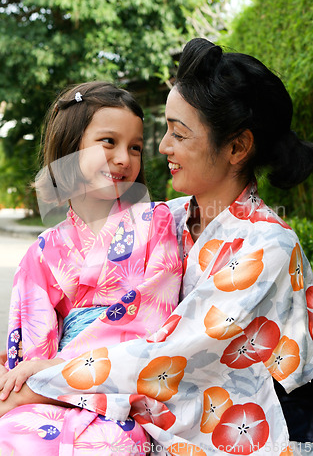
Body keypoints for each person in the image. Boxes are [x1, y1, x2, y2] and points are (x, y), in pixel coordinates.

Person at [1, 38, 313, 456]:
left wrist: (42, 382)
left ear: (237, 147)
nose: (162, 147)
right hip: (130, 413)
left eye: (178, 133)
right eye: (165, 128)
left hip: (231, 437)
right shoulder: (170, 217)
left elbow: (171, 355)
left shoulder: (268, 246)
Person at [0, 81, 182, 453]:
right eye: (108, 142)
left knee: (103, 445)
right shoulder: (43, 250)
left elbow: (149, 315)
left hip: (120, 390)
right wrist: (40, 376)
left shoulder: (155, 222)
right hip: (52, 393)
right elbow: (33, 347)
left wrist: (60, 368)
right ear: (70, 147)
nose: (124, 158)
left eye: (134, 147)